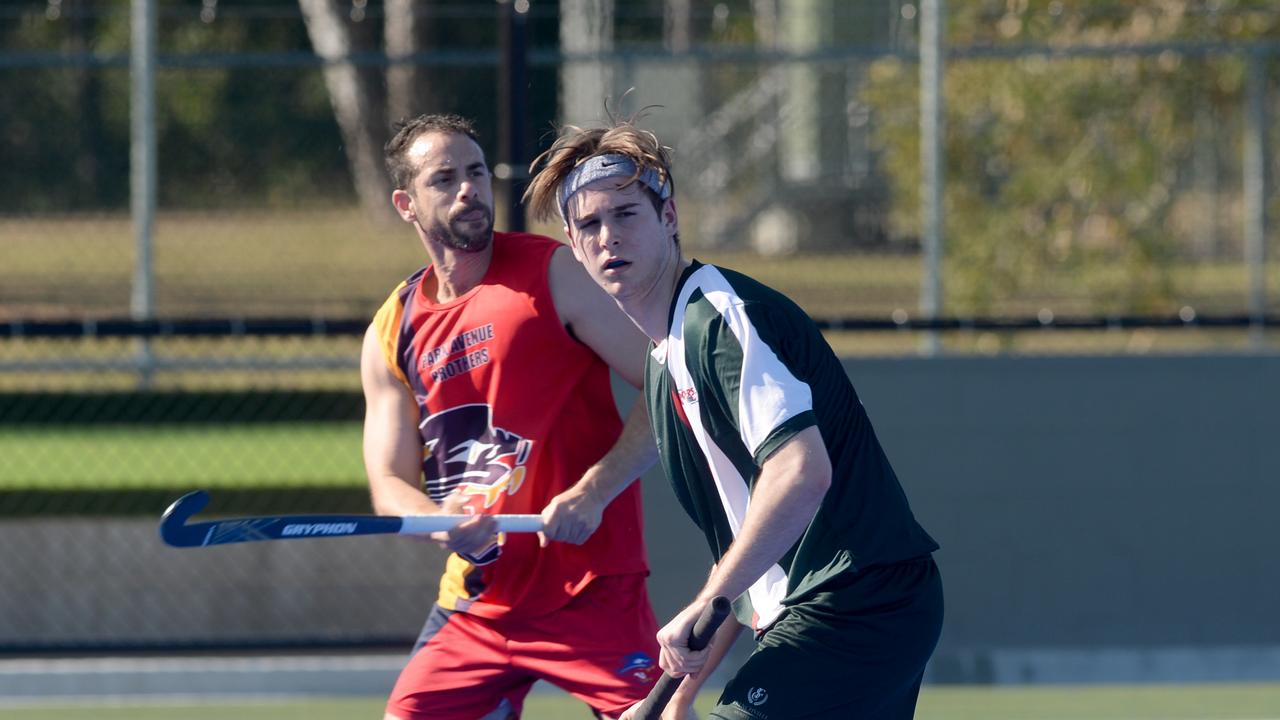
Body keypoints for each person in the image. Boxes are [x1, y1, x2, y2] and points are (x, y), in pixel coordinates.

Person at [525, 119, 944, 720]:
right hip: (847, 609)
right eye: (589, 224)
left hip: (856, 601)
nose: (608, 237)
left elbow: (800, 472)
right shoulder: (665, 358)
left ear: (668, 218)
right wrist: (674, 698)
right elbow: (746, 545)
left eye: (627, 215)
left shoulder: (717, 318)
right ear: (573, 241)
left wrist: (708, 601)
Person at [362, 113, 665, 720]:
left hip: (590, 590)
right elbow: (389, 484)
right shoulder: (391, 330)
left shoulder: (553, 275)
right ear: (407, 203)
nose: (469, 189)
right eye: (444, 179)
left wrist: (594, 492)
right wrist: (436, 521)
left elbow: (673, 387)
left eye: (476, 172)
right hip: (477, 603)